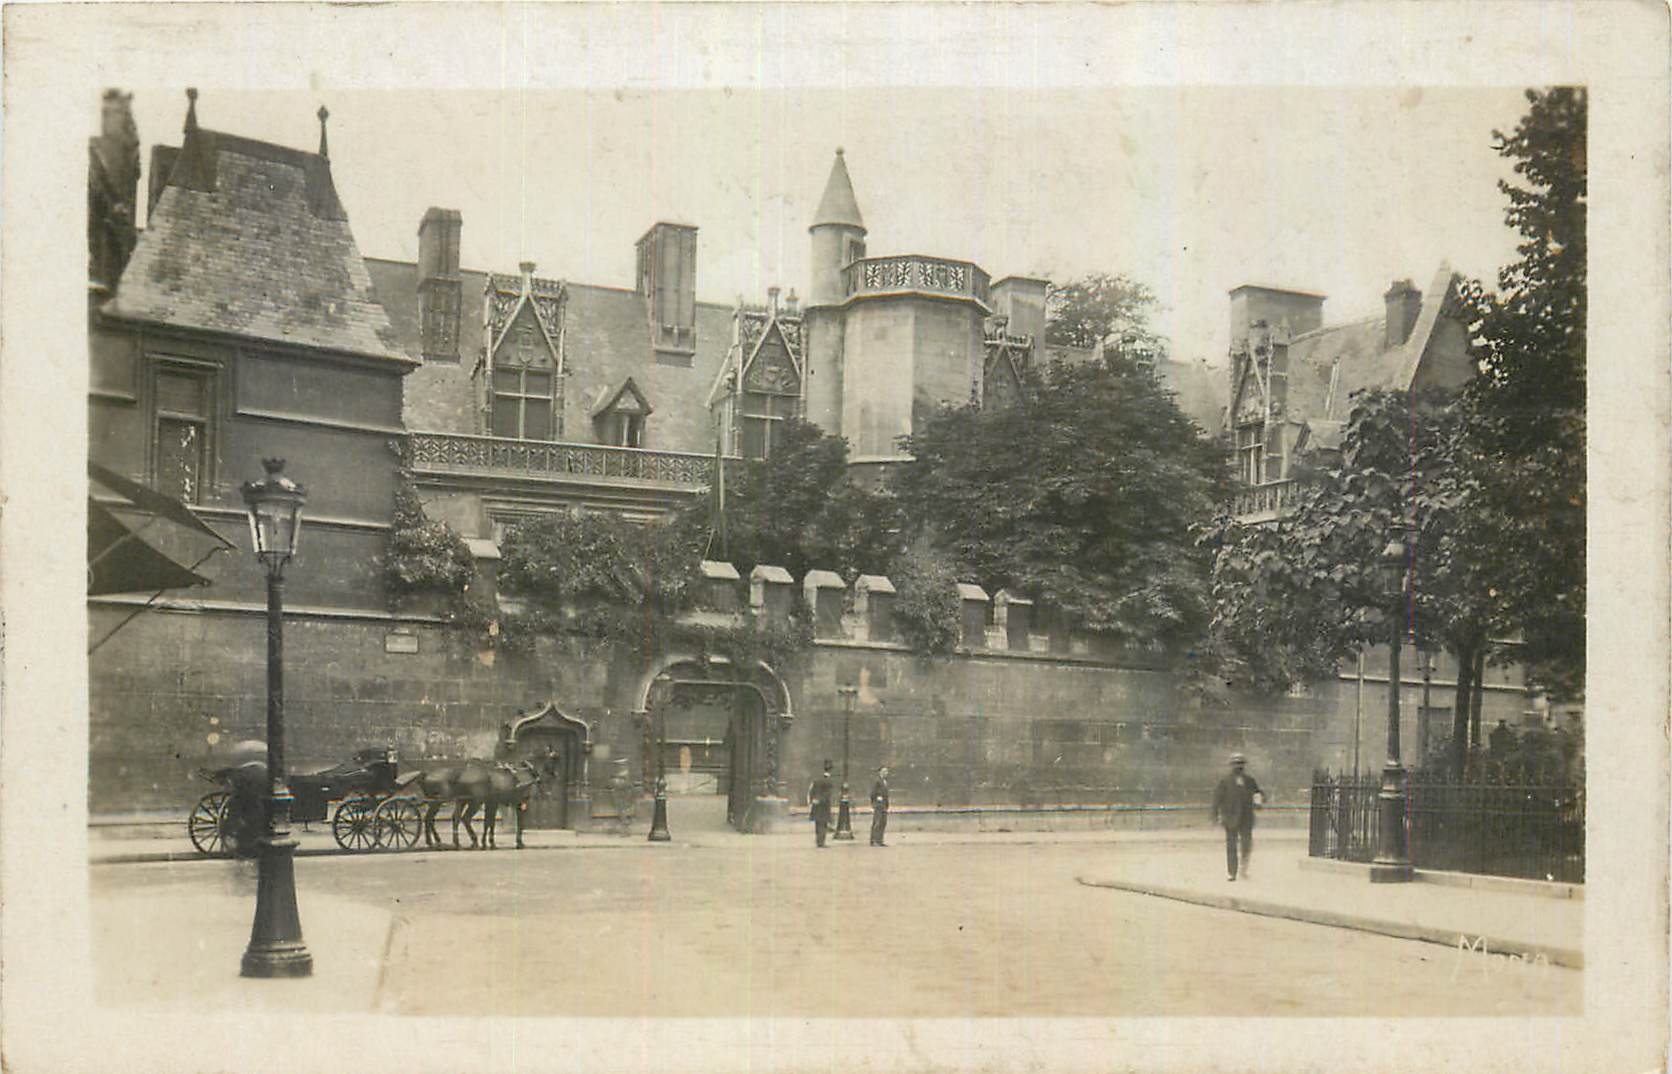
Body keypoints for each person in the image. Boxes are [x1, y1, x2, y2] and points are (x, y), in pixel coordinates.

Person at [1210, 753, 1262, 881]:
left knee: (1246, 844)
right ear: (1231, 766)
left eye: (1241, 764)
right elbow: (1217, 799)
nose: (1238, 767)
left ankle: (1243, 869)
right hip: (1230, 818)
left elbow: (1257, 794)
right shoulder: (1225, 781)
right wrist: (1215, 815)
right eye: (1236, 764)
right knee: (1231, 846)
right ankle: (1232, 872)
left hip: (1246, 818)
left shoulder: (1250, 781)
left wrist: (1258, 803)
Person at [808, 760, 835, 848]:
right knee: (823, 824)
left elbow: (811, 791)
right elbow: (827, 795)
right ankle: (821, 842)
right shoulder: (829, 782)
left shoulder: (817, 780)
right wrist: (821, 800)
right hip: (823, 806)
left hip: (816, 805)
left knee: (818, 823)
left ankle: (818, 841)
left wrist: (813, 800)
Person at [869, 766, 891, 846]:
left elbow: (886, 794)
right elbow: (873, 793)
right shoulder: (877, 781)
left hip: (884, 805)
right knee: (877, 822)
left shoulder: (885, 781)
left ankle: (880, 840)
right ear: (880, 772)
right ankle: (874, 840)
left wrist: (887, 804)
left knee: (883, 822)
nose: (886, 773)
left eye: (887, 771)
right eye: (884, 771)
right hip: (878, 805)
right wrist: (875, 801)